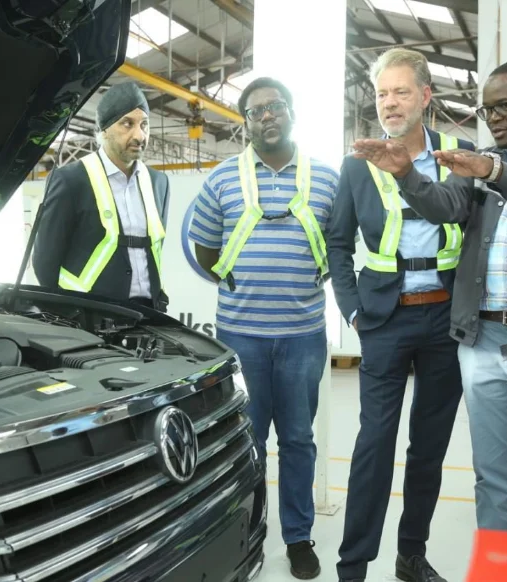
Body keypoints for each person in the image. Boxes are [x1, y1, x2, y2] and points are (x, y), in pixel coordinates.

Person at [351, 57, 507, 540]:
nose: (493, 119)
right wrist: (407, 175)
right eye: (486, 110)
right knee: (493, 480)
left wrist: (493, 171)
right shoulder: (484, 159)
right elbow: (448, 207)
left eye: (503, 106)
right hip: (482, 340)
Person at [328, 48, 474, 582]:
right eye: (382, 93)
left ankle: (411, 555)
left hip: (446, 320)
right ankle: (353, 566)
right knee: (374, 444)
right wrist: (353, 310)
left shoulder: (460, 154)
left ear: (426, 96)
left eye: (401, 92)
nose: (389, 103)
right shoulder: (356, 165)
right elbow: (338, 244)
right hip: (385, 320)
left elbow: (469, 224)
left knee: (429, 448)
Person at [187, 77, 338, 580]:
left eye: (275, 107)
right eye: (255, 112)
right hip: (240, 337)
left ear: (292, 112)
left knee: (297, 439)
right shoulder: (222, 179)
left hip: (302, 337)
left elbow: (339, 247)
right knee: (246, 442)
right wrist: (239, 283)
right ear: (246, 123)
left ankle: (298, 537)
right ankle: (247, 531)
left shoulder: (327, 179)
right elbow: (204, 248)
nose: (266, 117)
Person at [32, 81, 171, 311]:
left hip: (148, 314)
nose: (139, 134)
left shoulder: (159, 182)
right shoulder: (70, 180)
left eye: (144, 124)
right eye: (127, 124)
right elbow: (45, 262)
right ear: (104, 129)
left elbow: (155, 249)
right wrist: (64, 315)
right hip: (87, 315)